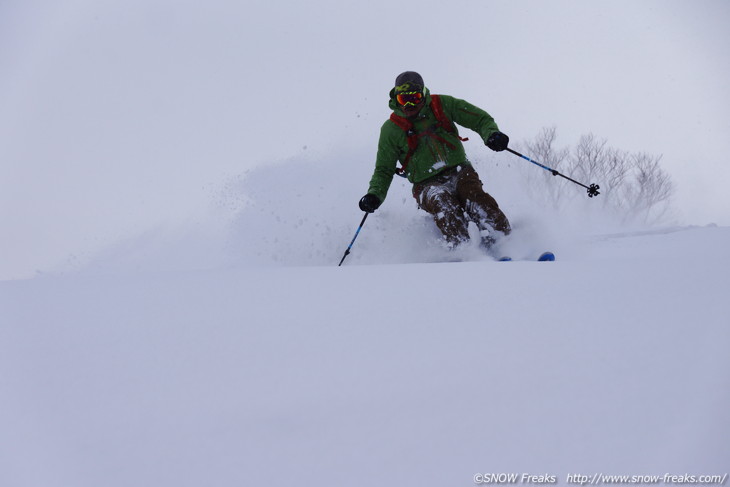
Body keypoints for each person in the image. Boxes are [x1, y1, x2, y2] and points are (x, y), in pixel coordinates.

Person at [359, 71, 512, 250]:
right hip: (425, 185)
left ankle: (505, 242)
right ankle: (464, 252)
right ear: (396, 99)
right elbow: (384, 169)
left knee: (474, 196)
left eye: (414, 98)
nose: (409, 105)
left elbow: (479, 119)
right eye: (403, 100)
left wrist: (492, 134)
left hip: (459, 171)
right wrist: (374, 195)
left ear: (424, 94)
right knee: (442, 203)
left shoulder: (442, 105)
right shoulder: (391, 129)